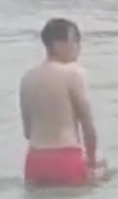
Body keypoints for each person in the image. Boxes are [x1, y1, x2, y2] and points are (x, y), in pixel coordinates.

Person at [19, 17, 105, 187]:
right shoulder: (72, 74)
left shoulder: (27, 78)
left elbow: (28, 132)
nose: (78, 47)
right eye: (75, 41)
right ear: (58, 44)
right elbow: (88, 126)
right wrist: (92, 165)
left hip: (35, 162)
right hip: (66, 159)